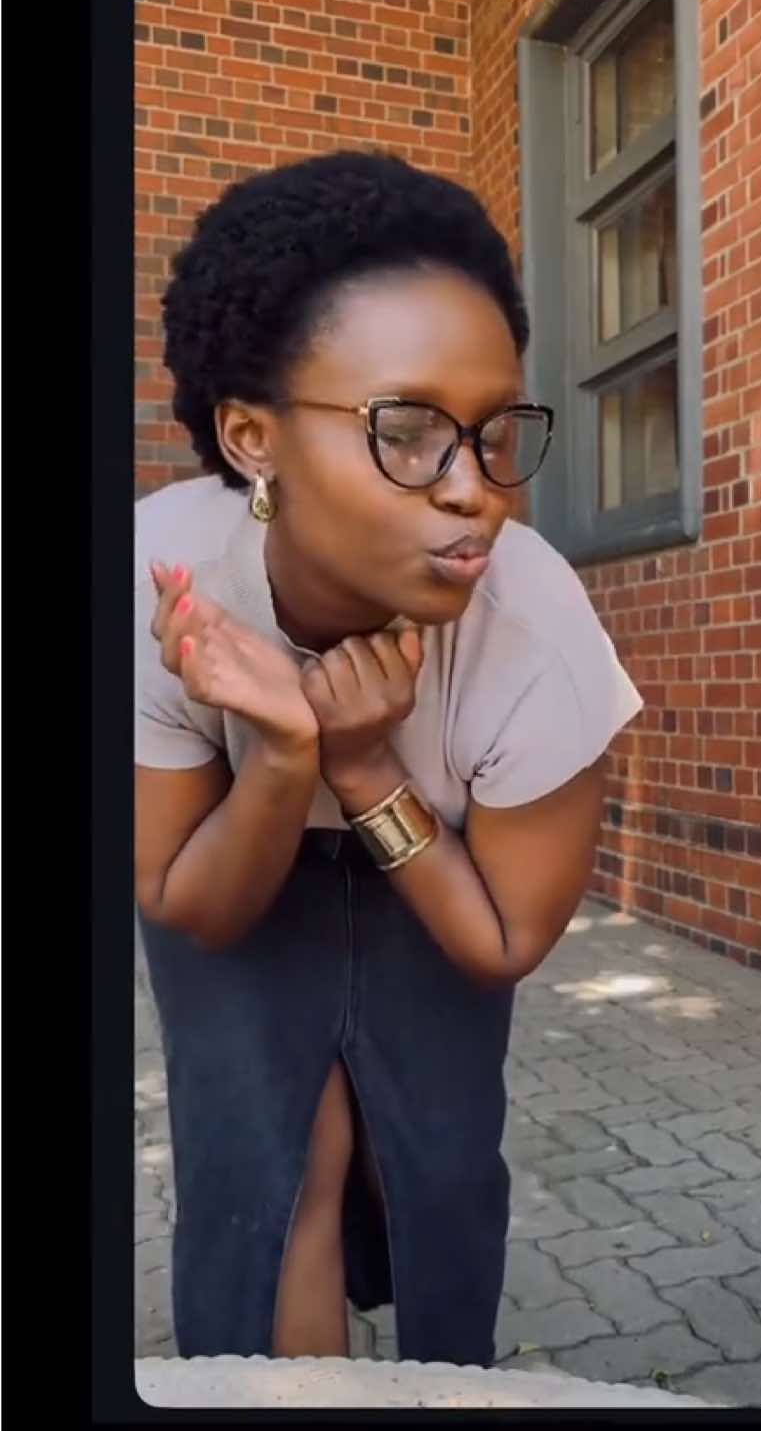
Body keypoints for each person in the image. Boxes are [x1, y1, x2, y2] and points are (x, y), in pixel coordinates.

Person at [134, 150, 642, 1367]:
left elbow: (502, 940)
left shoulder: (537, 624)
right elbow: (188, 905)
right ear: (252, 436)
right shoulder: (163, 581)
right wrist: (281, 753)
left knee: (434, 1157)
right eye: (406, 431)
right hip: (230, 852)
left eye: (493, 432)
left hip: (442, 865)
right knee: (272, 1155)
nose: (475, 495)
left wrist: (360, 768)